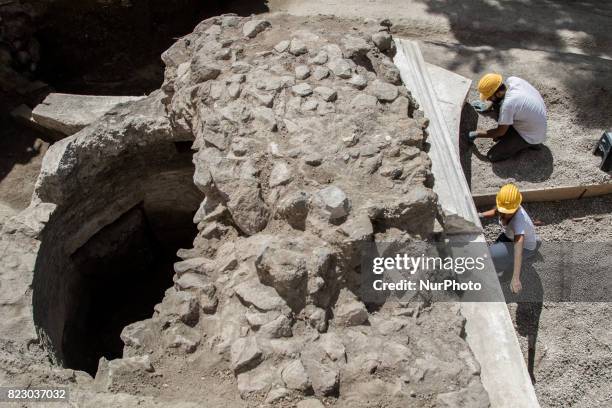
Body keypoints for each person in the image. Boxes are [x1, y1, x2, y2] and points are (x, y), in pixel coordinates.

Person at [466, 73, 547, 162]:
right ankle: (525, 140)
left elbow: (499, 132)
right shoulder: (513, 80)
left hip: (531, 135)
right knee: (499, 105)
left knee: (492, 156)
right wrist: (487, 107)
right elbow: (499, 100)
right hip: (534, 122)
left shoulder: (508, 105)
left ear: (498, 93)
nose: (487, 99)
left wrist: (476, 134)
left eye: (489, 97)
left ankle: (530, 143)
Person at [479, 183, 540, 293]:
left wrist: (515, 278)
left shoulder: (519, 222)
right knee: (493, 252)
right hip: (509, 236)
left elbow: (518, 250)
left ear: (515, 208)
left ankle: (507, 273)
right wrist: (480, 215)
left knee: (491, 254)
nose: (504, 213)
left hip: (525, 248)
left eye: (508, 212)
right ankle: (501, 261)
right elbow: (496, 211)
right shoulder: (506, 207)